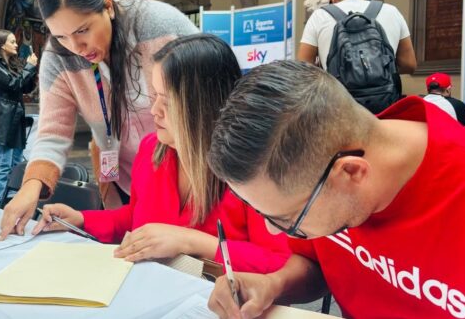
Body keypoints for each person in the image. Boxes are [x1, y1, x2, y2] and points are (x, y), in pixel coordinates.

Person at [206, 61, 465, 319]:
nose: (275, 232)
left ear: (350, 172)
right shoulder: (326, 167)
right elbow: (317, 262)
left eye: (288, 220)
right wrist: (274, 284)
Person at [34, 34, 290, 273]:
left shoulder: (253, 169)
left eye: (166, 102)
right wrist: (81, 220)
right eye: (153, 96)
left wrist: (192, 242)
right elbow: (136, 219)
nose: (154, 110)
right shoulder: (152, 150)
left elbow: (282, 265)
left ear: (203, 106)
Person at [0, 0, 198, 240]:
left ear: (107, 6)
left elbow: (210, 92)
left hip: (192, 182)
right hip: (131, 184)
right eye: (61, 36)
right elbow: (53, 133)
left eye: (83, 30)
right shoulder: (60, 55)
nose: (76, 47)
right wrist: (30, 187)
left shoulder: (158, 25)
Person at [298, 0, 417, 74]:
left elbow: (303, 67)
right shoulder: (392, 11)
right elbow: (409, 65)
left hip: (338, 97)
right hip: (384, 96)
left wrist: (324, 65)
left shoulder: (319, 15)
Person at [0, 29, 38, 206]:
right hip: (4, 115)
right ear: (2, 44)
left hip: (17, 114)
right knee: (4, 163)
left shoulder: (13, 63)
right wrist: (28, 68)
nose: (16, 45)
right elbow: (13, 84)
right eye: (12, 42)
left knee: (16, 163)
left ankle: (13, 198)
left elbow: (25, 87)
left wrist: (32, 67)